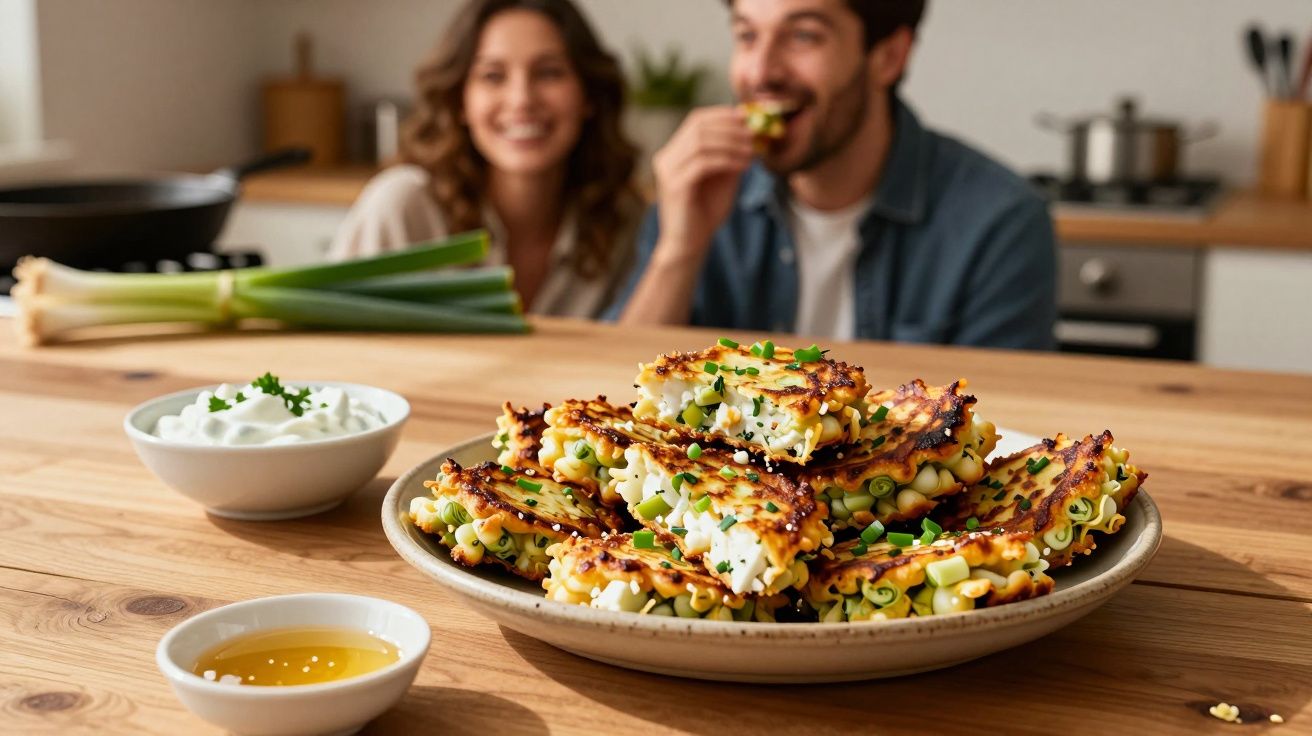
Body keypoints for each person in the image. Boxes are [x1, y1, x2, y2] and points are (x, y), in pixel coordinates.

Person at [613, 0, 1057, 349]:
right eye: (747, 36)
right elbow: (619, 396)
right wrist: (678, 249)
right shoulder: (702, 189)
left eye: (804, 35)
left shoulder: (1000, 220)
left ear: (889, 56)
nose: (761, 72)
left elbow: (1008, 427)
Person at [330, 0, 641, 319]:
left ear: (589, 96)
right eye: (493, 76)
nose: (522, 99)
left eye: (549, 73)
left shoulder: (620, 223)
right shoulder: (402, 207)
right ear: (460, 100)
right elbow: (338, 353)